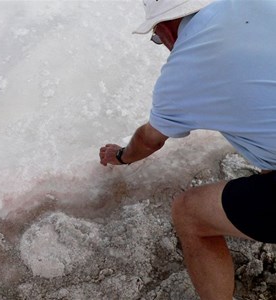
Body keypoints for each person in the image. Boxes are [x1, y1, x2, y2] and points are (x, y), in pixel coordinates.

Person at [99, 0, 276, 299]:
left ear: (165, 28)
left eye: (157, 38)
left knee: (188, 213)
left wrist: (120, 156)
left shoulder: (184, 70)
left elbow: (150, 139)